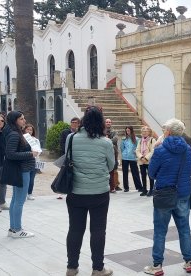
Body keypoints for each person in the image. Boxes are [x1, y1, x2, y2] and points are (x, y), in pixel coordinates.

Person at [65, 106, 115, 276]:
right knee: (98, 230)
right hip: (99, 192)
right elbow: (111, 166)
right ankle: (98, 268)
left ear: (83, 120)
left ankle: (72, 267)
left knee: (75, 229)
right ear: (101, 122)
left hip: (76, 191)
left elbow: (68, 159)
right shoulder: (106, 142)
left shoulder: (71, 138)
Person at [144, 118, 191, 275]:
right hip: (183, 193)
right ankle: (189, 262)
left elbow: (151, 174)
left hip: (165, 194)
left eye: (164, 129)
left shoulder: (160, 150)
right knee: (184, 229)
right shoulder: (188, 150)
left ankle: (157, 266)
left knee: (160, 231)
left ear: (168, 132)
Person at [4, 111, 39, 238]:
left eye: (24, 118)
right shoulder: (14, 134)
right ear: (15, 121)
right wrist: (30, 154)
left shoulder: (17, 133)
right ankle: (17, 229)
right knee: (19, 201)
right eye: (21, 119)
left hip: (23, 169)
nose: (24, 121)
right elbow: (10, 154)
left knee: (15, 200)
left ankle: (13, 229)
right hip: (22, 170)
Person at [58, 117, 80, 199]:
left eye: (76, 122)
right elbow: (62, 143)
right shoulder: (65, 132)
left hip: (76, 156)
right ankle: (61, 190)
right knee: (63, 172)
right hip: (66, 155)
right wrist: (66, 153)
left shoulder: (80, 133)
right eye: (72, 122)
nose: (74, 124)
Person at [120, 126, 143, 192]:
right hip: (125, 158)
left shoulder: (137, 139)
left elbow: (138, 147)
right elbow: (122, 148)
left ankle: (139, 187)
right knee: (125, 173)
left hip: (133, 158)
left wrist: (135, 152)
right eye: (126, 131)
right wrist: (124, 153)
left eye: (129, 130)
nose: (127, 132)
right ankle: (126, 187)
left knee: (135, 172)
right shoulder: (124, 139)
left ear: (131, 131)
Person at [136, 126, 156, 196]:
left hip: (149, 161)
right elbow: (137, 150)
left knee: (150, 176)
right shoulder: (140, 140)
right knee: (143, 175)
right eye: (143, 131)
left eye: (146, 131)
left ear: (149, 132)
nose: (144, 132)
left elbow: (153, 150)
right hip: (141, 161)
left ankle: (151, 190)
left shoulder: (152, 140)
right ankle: (144, 189)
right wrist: (141, 157)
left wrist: (146, 158)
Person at [23, 124, 40, 200]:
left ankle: (30, 193)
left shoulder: (36, 140)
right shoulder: (22, 138)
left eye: (31, 130)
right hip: (25, 161)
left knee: (31, 179)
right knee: (25, 179)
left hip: (34, 161)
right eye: (28, 129)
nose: (29, 131)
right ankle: (23, 193)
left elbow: (38, 151)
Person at [105, 118, 121, 192]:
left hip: (114, 152)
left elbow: (115, 140)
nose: (108, 123)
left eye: (109, 122)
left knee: (114, 169)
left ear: (111, 123)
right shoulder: (102, 131)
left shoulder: (114, 131)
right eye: (107, 122)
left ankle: (116, 185)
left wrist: (106, 140)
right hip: (104, 152)